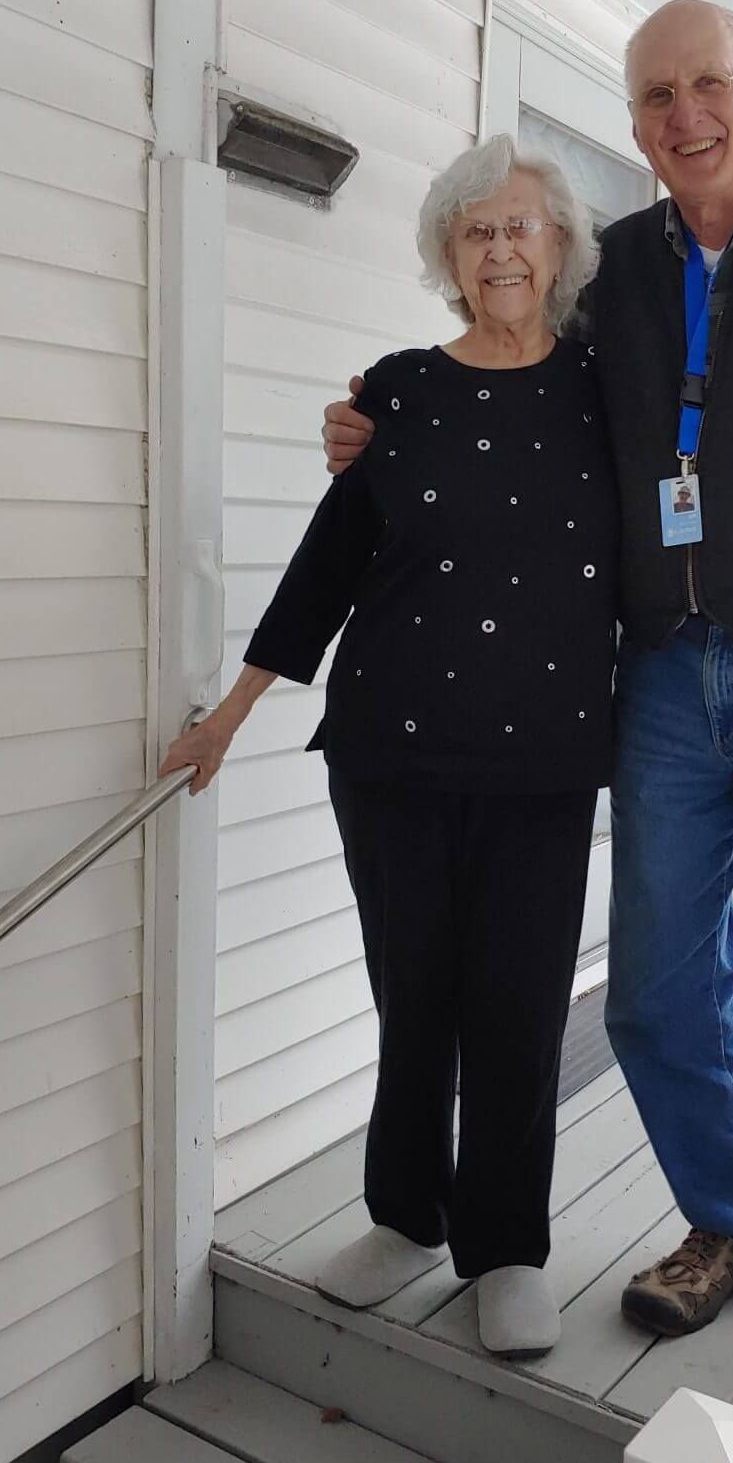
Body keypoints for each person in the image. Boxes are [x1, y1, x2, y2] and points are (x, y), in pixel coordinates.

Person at [322, 0, 733, 1341]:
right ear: (632, 123)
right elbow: (509, 379)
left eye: (706, 87)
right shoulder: (611, 265)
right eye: (655, 97)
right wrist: (382, 420)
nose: (683, 115)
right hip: (663, 677)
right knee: (654, 990)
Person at [160, 134, 617, 1358]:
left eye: (523, 226)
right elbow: (330, 567)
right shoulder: (398, 390)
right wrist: (231, 712)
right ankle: (407, 1218)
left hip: (546, 760)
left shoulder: (605, 387)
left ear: (564, 246)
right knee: (412, 999)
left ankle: (507, 1247)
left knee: (518, 1010)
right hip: (392, 750)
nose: (502, 248)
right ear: (448, 258)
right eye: (477, 232)